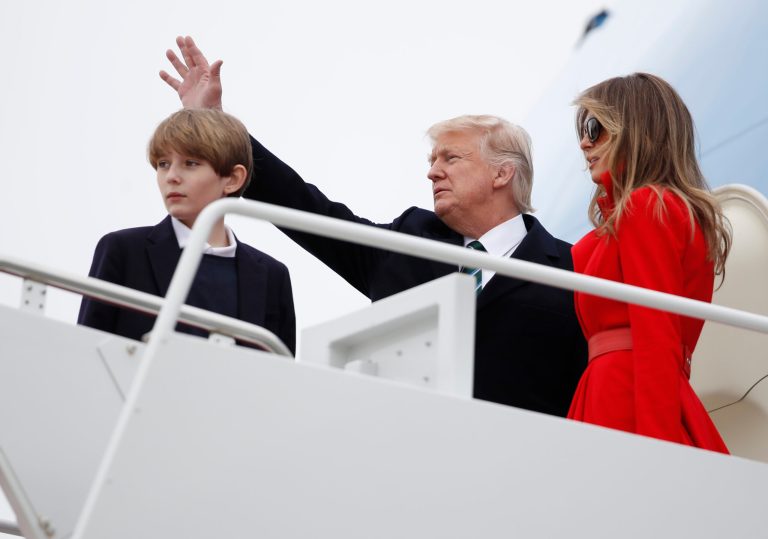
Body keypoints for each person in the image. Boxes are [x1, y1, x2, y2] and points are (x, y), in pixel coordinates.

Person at [160, 36, 586, 416]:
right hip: (398, 461)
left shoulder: (575, 268)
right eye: (431, 162)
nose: (433, 173)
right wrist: (215, 124)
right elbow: (308, 209)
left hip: (524, 471)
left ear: (502, 174)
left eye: (450, 159)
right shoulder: (408, 243)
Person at [567, 73, 731, 451]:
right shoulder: (632, 220)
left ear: (635, 129)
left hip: (627, 399)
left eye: (596, 128)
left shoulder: (648, 206)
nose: (584, 142)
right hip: (609, 393)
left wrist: (658, 447)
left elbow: (657, 335)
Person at [78, 108, 297, 354]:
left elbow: (277, 382)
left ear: (233, 179)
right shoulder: (124, 250)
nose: (171, 176)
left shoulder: (271, 275)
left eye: (191, 163)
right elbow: (87, 355)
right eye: (163, 164)